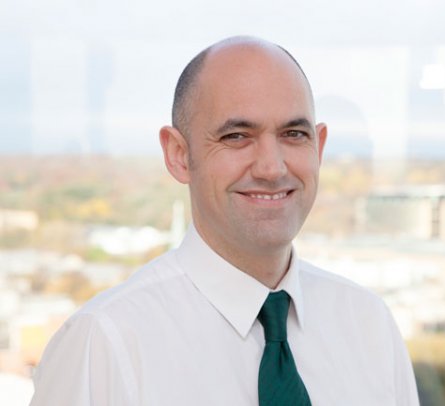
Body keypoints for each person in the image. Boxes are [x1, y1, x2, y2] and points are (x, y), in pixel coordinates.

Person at [30, 36, 419, 405]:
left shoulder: (369, 326)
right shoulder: (106, 342)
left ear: (319, 147)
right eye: (236, 136)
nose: (272, 167)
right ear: (179, 155)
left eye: (293, 134)